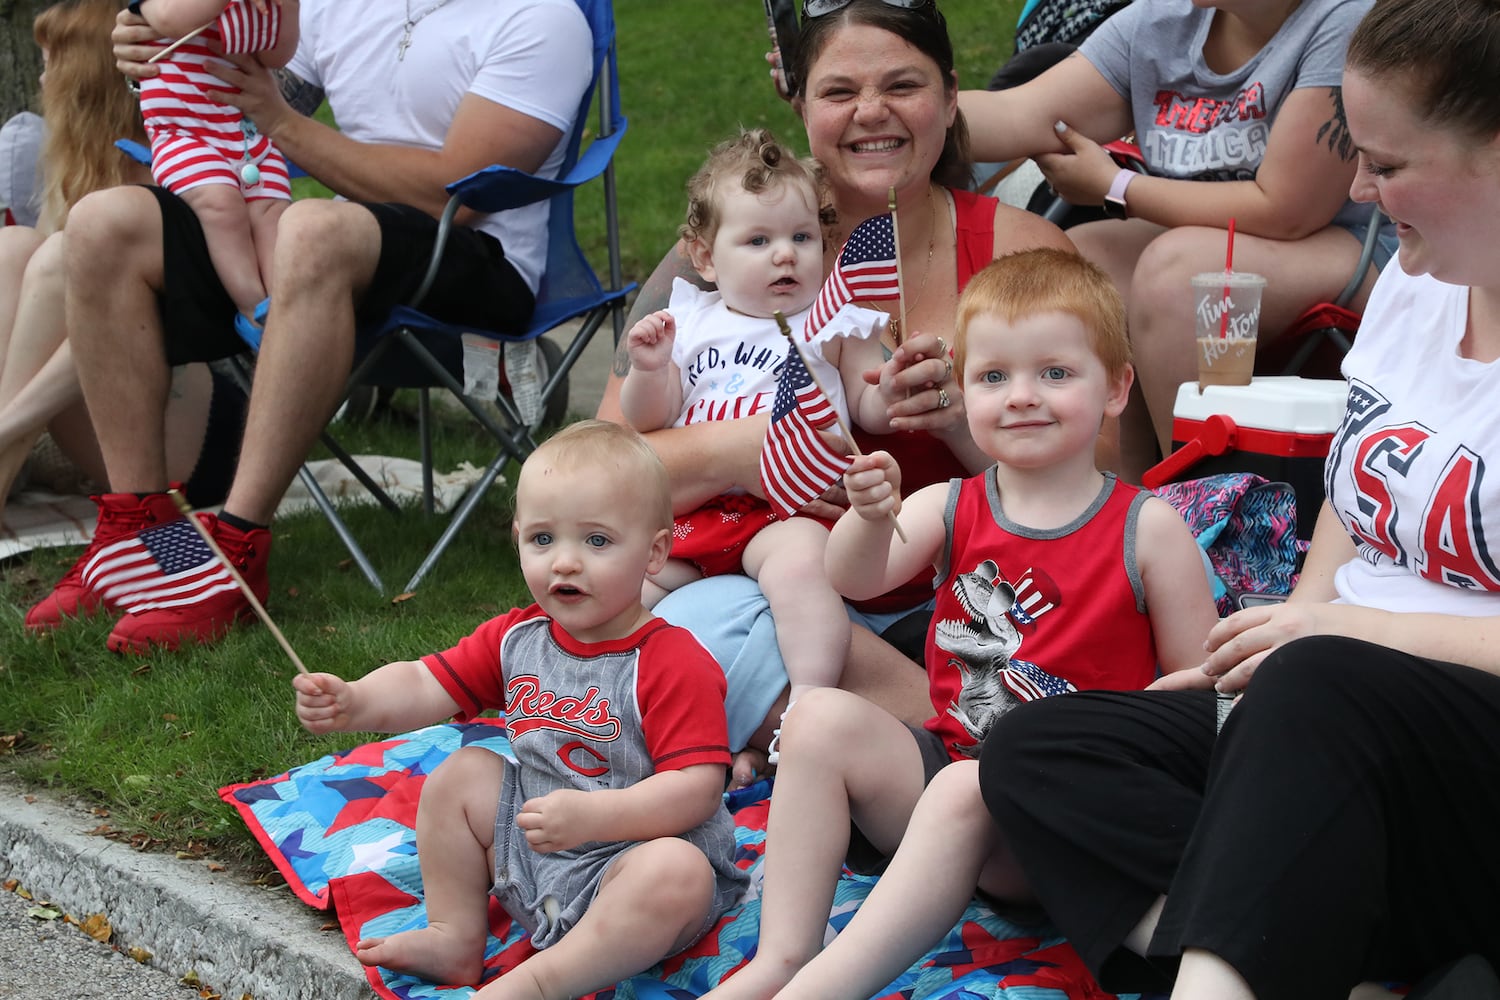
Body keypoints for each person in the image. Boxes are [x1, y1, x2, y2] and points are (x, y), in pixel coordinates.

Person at [971, 2, 1500, 997]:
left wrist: (1341, 637)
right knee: (1043, 749)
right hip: (1342, 709)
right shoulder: (1419, 288)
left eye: (1387, 163)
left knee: (1314, 687)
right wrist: (1300, 616)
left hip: (1462, 743)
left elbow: (1359, 651)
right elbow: (1356, 492)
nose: (1359, 188)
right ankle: (1350, 965)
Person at [701, 247, 1219, 1000]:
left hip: (1068, 822)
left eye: (1055, 373)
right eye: (994, 377)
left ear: (1116, 388)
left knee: (969, 789)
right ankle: (783, 956)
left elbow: (1198, 694)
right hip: (947, 783)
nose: (1022, 396)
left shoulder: (1149, 529)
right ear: (966, 390)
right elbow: (853, 576)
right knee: (815, 718)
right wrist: (870, 518)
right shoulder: (954, 503)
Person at [597, 0, 1074, 786]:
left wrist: (963, 424)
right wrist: (747, 448)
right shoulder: (722, 257)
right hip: (761, 587)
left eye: (903, 85)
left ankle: (915, 749)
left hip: (962, 601)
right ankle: (951, 753)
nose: (872, 113)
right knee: (682, 626)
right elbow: (594, 478)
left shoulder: (1020, 253)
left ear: (951, 99)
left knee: (704, 646)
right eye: (840, 91)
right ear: (801, 104)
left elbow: (1106, 484)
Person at [25, 0, 593, 653]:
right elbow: (234, 76)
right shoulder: (342, 6)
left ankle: (235, 549)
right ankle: (146, 539)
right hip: (326, 252)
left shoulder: (540, 18)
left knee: (311, 227)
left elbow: (451, 194)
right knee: (107, 224)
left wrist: (280, 123)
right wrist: (155, 46)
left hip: (479, 263)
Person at [291, 420, 749, 999]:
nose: (564, 563)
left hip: (637, 861)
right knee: (461, 776)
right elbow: (426, 682)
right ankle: (454, 935)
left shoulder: (670, 660)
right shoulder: (518, 638)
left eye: (597, 541)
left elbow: (696, 789)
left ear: (655, 551)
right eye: (542, 539)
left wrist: (594, 819)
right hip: (535, 850)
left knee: (678, 877)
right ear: (517, 538)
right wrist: (355, 700)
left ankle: (541, 983)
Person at [956, 0, 1394, 481]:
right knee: (1081, 259)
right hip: (1206, 246)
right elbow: (1022, 112)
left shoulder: (1344, 19)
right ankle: (1120, 508)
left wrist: (1117, 187)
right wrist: (899, 106)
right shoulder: (1160, 20)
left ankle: (1208, 519)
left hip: (1358, 244)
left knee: (1176, 274)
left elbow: (1286, 209)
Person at [621, 127, 890, 707]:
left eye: (801, 236)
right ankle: (593, 697)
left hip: (786, 510)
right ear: (704, 258)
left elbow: (870, 408)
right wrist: (648, 369)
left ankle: (809, 698)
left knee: (800, 571)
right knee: (627, 584)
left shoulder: (832, 317)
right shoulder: (691, 321)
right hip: (703, 510)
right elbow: (650, 421)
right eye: (758, 240)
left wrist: (888, 389)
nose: (786, 253)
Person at [0, 0, 240, 529]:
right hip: (110, 415)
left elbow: (102, 338)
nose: (40, 78)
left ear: (81, 82)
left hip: (197, 439)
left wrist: (8, 425)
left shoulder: (180, 170)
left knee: (58, 255)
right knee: (13, 247)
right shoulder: (77, 178)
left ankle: (4, 452)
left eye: (49, 63)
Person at [135, 0, 300, 326]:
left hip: (246, 133)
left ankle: (287, 311)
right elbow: (169, 18)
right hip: (183, 134)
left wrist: (288, 8)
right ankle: (254, 311)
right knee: (220, 203)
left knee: (272, 215)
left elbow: (275, 55)